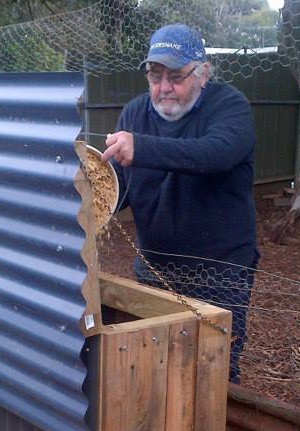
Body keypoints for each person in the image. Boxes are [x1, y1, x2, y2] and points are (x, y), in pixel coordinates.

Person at [101, 23, 259, 384]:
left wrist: (142, 147)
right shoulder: (135, 114)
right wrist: (92, 203)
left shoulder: (229, 106)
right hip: (153, 269)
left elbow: (215, 155)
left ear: (202, 74)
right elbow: (119, 186)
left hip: (217, 272)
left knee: (212, 372)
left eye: (176, 76)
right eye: (155, 76)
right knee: (154, 367)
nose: (164, 88)